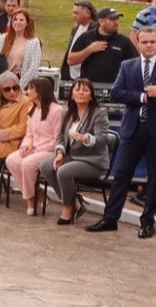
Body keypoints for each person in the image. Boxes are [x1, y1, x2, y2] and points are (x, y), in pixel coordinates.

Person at [86, 28, 156, 238]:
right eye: (144, 42)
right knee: (121, 174)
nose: (149, 45)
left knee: (154, 178)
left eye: (152, 41)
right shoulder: (128, 66)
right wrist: (141, 97)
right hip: (132, 129)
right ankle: (110, 218)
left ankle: (147, 222)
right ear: (138, 43)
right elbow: (117, 93)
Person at [43, 77, 112, 225]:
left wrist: (85, 138)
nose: (81, 93)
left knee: (63, 171)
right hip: (72, 156)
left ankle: (68, 208)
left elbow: (102, 140)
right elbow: (60, 137)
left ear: (91, 95)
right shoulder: (66, 112)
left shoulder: (99, 114)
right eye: (77, 89)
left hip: (93, 161)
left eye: (85, 90)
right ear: (72, 94)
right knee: (46, 166)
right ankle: (75, 202)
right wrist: (60, 153)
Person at [4, 76, 62, 215]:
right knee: (11, 160)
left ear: (40, 91)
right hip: (34, 149)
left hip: (50, 151)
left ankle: (30, 201)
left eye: (31, 88)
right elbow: (29, 134)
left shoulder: (57, 110)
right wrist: (26, 146)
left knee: (27, 164)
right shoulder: (32, 110)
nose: (27, 92)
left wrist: (37, 149)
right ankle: (37, 195)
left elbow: (58, 138)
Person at [68, 7, 135, 85]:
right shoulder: (86, 37)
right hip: (89, 88)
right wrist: (90, 49)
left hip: (114, 88)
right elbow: (71, 60)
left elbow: (135, 64)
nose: (116, 22)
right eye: (112, 19)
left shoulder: (124, 41)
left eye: (117, 19)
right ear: (101, 21)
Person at [0, 10, 41, 85]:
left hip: (21, 82)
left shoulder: (33, 42)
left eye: (21, 20)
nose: (18, 22)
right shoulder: (3, 38)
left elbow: (33, 68)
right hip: (3, 81)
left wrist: (19, 86)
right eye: (15, 19)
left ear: (27, 23)